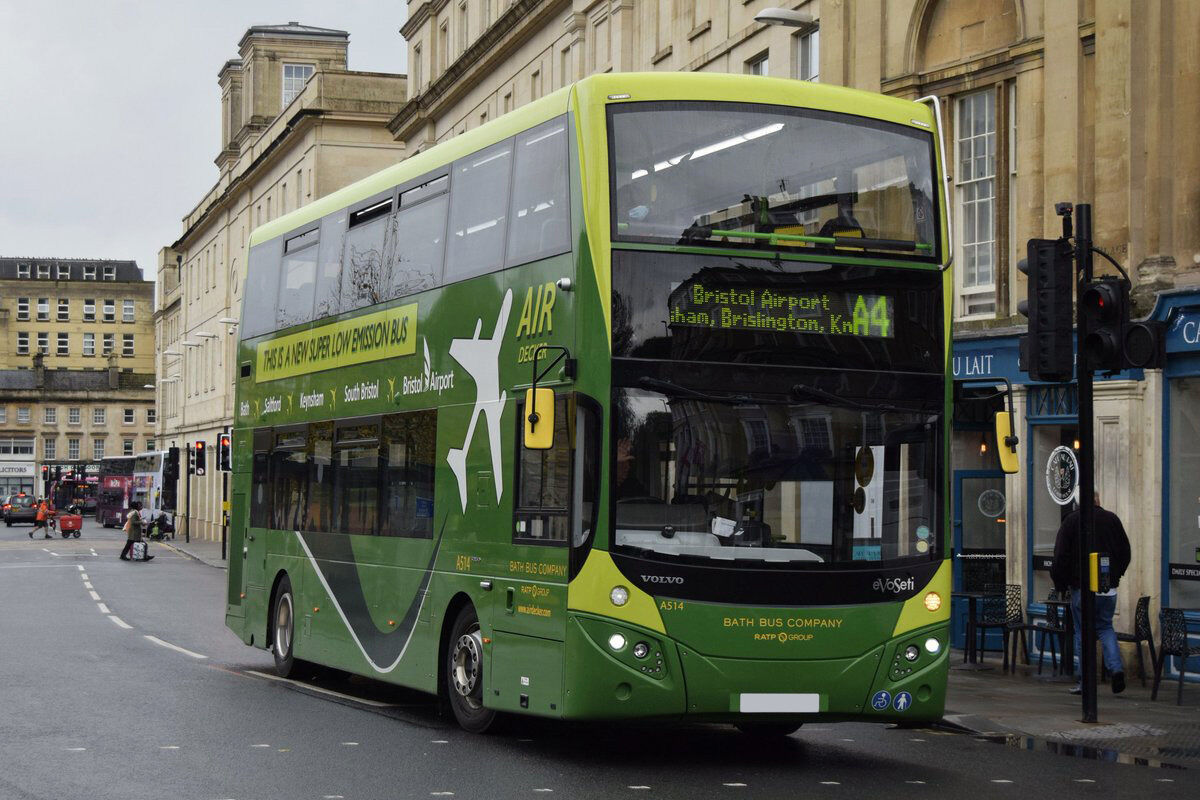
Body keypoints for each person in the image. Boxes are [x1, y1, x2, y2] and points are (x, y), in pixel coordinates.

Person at [1050, 492, 1132, 695]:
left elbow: (1060, 556)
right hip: (1108, 588)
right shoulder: (1112, 519)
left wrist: (1061, 583)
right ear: (1098, 501)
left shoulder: (1072, 521)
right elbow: (1125, 552)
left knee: (1082, 633)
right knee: (1105, 628)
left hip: (1082, 588)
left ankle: (1085, 681)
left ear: (1078, 503)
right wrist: (1116, 575)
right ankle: (1116, 669)